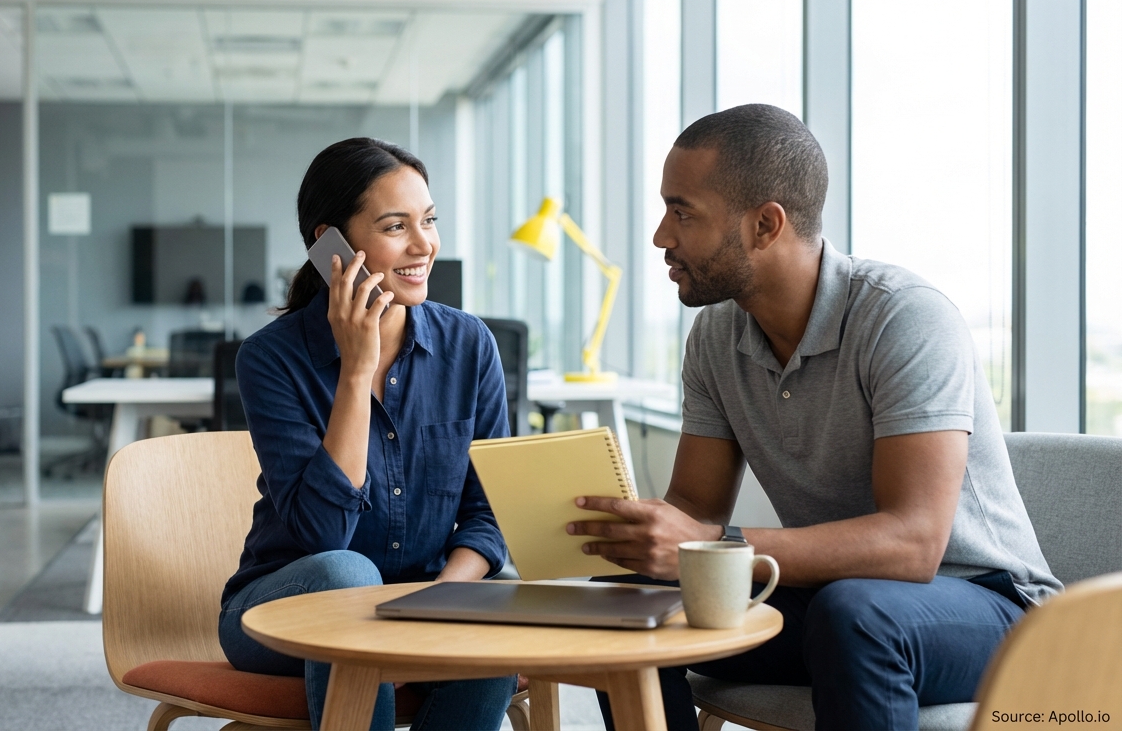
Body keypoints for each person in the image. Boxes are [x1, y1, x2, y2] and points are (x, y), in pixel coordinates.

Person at [568, 104, 1061, 731]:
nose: (662, 236)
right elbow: (696, 506)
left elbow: (913, 545)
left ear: (765, 225)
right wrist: (633, 535)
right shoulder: (715, 337)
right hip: (833, 600)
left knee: (857, 614)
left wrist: (709, 547)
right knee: (626, 598)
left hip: (985, 603)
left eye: (682, 211)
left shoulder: (903, 318)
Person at [218, 138, 517, 730]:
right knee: (348, 574)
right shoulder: (271, 359)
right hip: (284, 616)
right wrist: (356, 369)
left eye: (428, 221)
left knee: (491, 610)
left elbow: (490, 513)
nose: (423, 244)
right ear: (331, 243)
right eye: (394, 226)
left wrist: (437, 605)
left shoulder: (470, 346)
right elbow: (324, 535)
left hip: (421, 603)